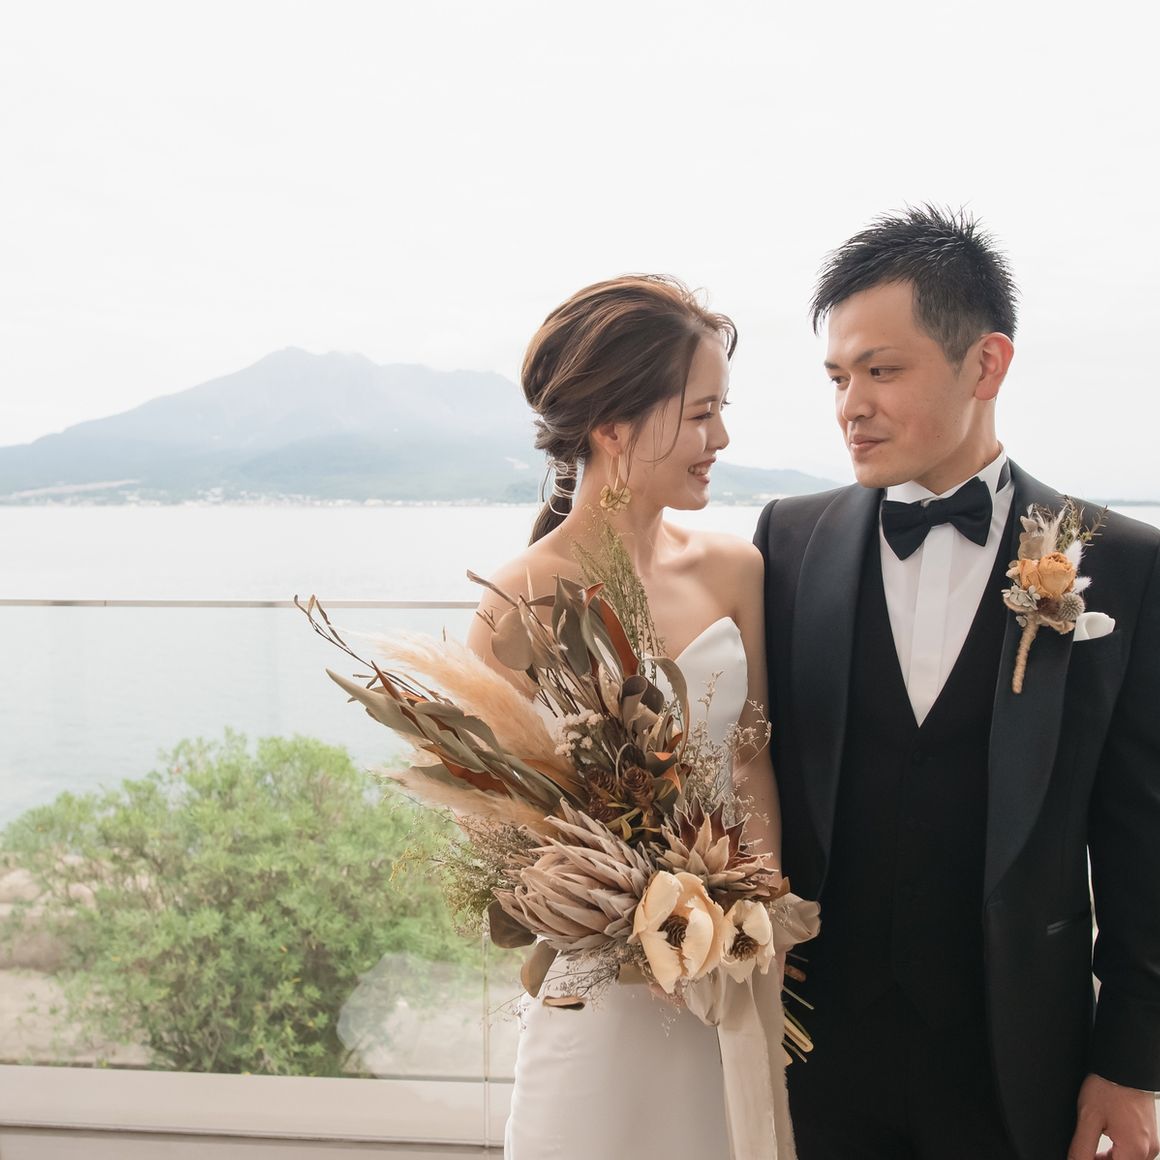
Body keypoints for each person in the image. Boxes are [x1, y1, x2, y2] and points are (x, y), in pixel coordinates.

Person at [755, 206, 1160, 1159]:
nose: (851, 406)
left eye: (882, 371)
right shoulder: (786, 541)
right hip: (815, 1048)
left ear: (986, 365)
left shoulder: (1123, 562)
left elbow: (1144, 837)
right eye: (838, 377)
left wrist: (1133, 1060)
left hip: (1019, 1057)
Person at [466, 275, 786, 1158]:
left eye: (721, 411)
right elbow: (494, 823)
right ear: (613, 428)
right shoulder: (518, 598)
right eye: (701, 414)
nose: (721, 438)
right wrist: (624, 925)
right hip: (598, 994)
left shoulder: (736, 570)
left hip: (728, 975)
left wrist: (759, 916)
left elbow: (751, 761)